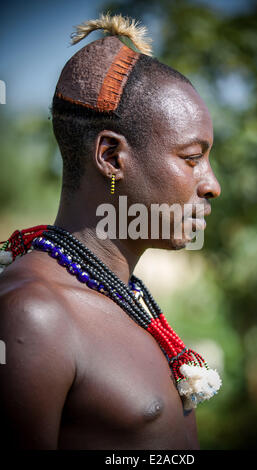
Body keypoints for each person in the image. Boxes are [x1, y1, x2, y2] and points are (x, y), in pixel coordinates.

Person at [0, 12, 221, 450]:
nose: (212, 184)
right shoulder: (34, 316)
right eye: (192, 158)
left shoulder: (129, 299)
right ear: (112, 157)